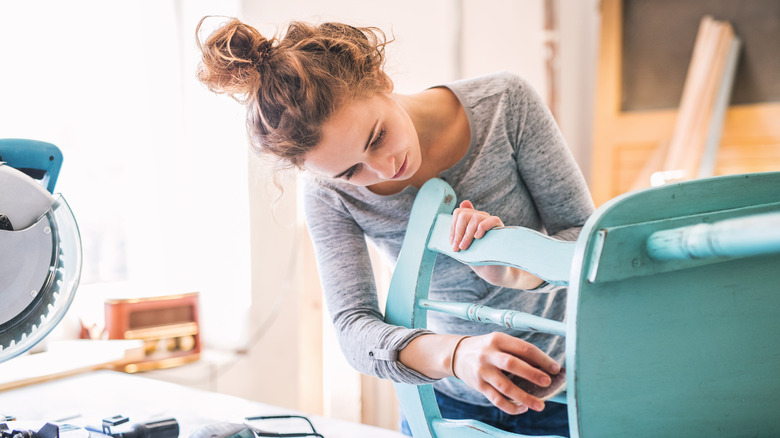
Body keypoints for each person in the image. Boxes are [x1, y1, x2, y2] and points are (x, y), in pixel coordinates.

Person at [196, 16, 594, 437]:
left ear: (381, 80)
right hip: (443, 404)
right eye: (352, 170)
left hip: (571, 393)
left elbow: (586, 239)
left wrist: (515, 268)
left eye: (377, 136)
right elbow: (353, 327)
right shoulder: (329, 193)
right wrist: (455, 355)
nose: (385, 168)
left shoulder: (505, 104)